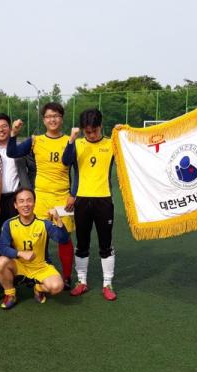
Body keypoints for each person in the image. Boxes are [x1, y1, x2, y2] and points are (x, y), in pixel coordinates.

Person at [7, 102, 76, 289]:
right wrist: (14, 133)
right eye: (49, 116)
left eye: (56, 116)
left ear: (62, 118)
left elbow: (75, 168)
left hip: (62, 197)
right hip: (41, 196)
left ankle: (67, 277)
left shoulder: (70, 141)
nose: (52, 120)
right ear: (44, 120)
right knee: (38, 237)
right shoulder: (35, 140)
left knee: (64, 238)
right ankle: (37, 273)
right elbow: (12, 152)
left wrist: (73, 194)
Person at [62, 109, 117, 301]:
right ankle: (81, 281)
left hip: (104, 199)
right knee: (82, 243)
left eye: (94, 131)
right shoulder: (77, 144)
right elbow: (65, 161)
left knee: (105, 244)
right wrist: (72, 139)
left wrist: (123, 133)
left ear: (101, 126)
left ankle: (107, 284)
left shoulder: (111, 144)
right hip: (82, 200)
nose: (91, 135)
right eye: (87, 132)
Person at [0, 188, 70, 309]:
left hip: (41, 266)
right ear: (15, 205)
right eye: (21, 201)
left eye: (29, 200)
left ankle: (38, 288)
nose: (25, 204)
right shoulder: (9, 224)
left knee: (57, 287)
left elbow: (64, 240)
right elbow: (3, 248)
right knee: (1, 262)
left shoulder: (44, 224)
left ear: (34, 203)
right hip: (19, 265)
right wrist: (20, 253)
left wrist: (58, 220)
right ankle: (10, 294)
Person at [0, 113, 32, 240]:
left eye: (4, 126)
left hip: (15, 198)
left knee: (16, 235)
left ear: (10, 128)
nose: (1, 130)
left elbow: (33, 169)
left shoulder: (20, 148)